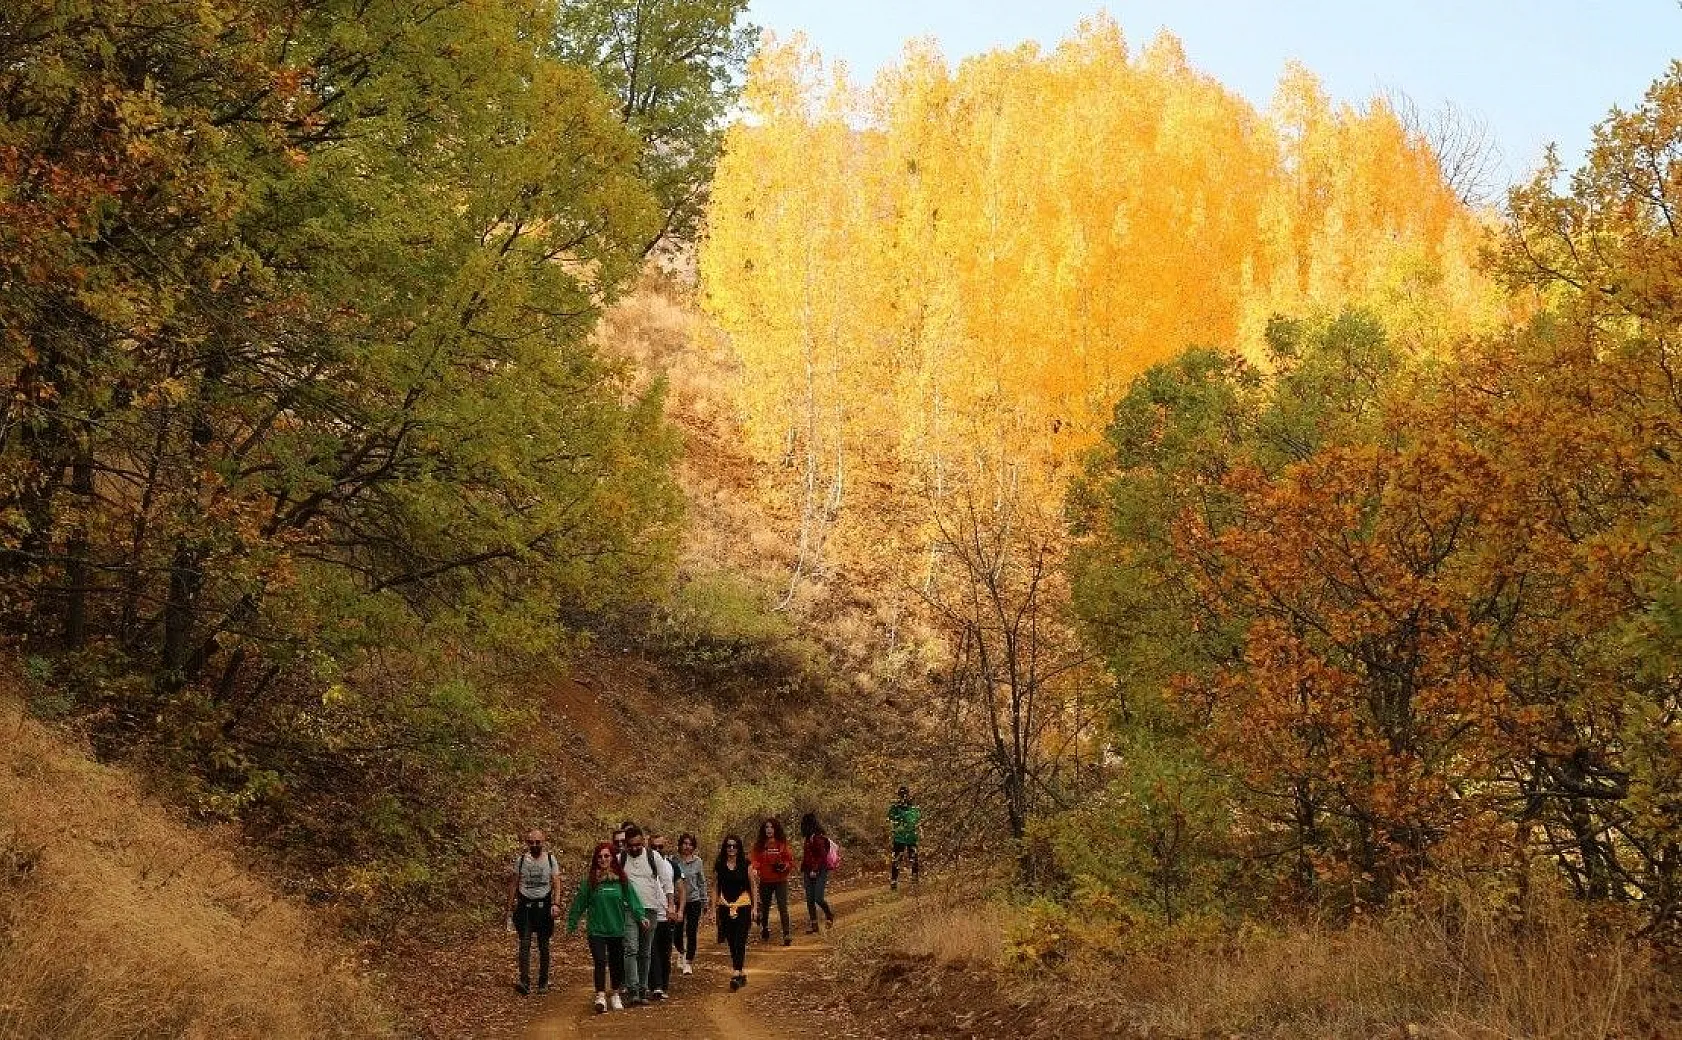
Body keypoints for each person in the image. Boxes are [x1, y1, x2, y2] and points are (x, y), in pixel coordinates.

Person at [565, 842, 645, 1013]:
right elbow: (579, 903)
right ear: (596, 859)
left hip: (616, 928)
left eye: (606, 856)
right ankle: (600, 995)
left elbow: (632, 899)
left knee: (616, 962)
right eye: (600, 857)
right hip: (596, 929)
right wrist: (572, 923)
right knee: (600, 961)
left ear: (612, 858)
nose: (603, 859)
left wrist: (641, 916)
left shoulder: (621, 880)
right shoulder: (591, 881)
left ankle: (615, 993)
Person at [617, 825, 671, 1005]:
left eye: (638, 845)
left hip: (650, 908)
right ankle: (632, 989)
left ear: (643, 842)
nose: (634, 848)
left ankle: (643, 987)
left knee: (645, 951)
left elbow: (666, 881)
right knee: (631, 948)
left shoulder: (653, 857)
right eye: (630, 845)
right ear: (625, 845)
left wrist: (670, 905)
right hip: (629, 909)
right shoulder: (620, 859)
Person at [506, 829, 561, 995]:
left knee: (544, 945)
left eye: (538, 842)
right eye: (531, 842)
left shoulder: (550, 859)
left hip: (544, 906)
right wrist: (510, 906)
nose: (535, 845)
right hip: (525, 906)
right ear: (527, 843)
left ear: (543, 842)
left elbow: (556, 882)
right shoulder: (521, 860)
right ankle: (524, 981)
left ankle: (543, 982)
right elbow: (514, 883)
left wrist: (556, 903)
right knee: (524, 944)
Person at [714, 835, 754, 991]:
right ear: (725, 848)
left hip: (743, 905)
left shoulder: (746, 864)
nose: (731, 849)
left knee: (740, 939)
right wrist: (713, 909)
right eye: (728, 846)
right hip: (725, 906)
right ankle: (741, 972)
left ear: (739, 848)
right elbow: (715, 888)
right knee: (730, 940)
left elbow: (753, 886)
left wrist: (755, 908)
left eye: (734, 846)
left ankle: (736, 972)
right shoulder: (720, 865)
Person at [750, 817, 794, 946]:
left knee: (782, 906)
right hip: (765, 880)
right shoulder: (759, 845)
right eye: (767, 827)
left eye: (771, 827)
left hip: (780, 880)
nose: (769, 830)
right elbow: (754, 860)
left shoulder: (782, 844)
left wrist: (784, 866)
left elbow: (789, 860)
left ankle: (786, 934)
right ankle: (764, 928)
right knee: (765, 906)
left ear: (776, 829)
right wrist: (755, 868)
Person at [648, 833, 682, 997]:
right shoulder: (644, 864)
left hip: (667, 914)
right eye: (653, 847)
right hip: (650, 913)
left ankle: (663, 984)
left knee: (665, 952)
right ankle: (656, 985)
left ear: (665, 847)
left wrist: (676, 909)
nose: (657, 850)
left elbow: (679, 888)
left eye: (660, 847)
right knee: (651, 950)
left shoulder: (672, 866)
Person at [674, 833, 708, 974]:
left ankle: (688, 961)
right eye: (685, 843)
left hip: (694, 900)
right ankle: (681, 951)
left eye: (690, 844)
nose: (687, 847)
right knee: (677, 932)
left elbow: (701, 882)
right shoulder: (674, 861)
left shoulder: (698, 862)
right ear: (680, 845)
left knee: (691, 931)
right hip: (677, 901)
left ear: (693, 847)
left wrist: (704, 900)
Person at [798, 812, 835, 933]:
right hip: (808, 871)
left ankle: (829, 915)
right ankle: (814, 924)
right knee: (809, 899)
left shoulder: (817, 838)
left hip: (820, 870)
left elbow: (822, 856)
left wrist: (815, 870)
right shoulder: (808, 838)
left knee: (818, 897)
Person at [888, 786, 922, 890]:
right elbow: (890, 820)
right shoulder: (896, 807)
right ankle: (895, 881)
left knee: (911, 858)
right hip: (902, 837)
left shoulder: (912, 808)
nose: (904, 797)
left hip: (908, 837)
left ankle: (913, 880)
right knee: (899, 859)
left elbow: (918, 821)